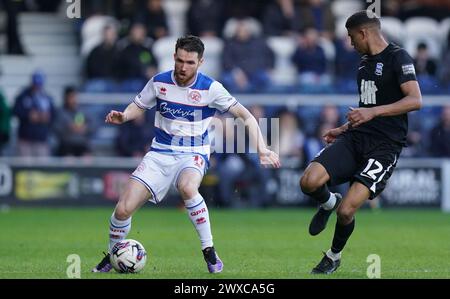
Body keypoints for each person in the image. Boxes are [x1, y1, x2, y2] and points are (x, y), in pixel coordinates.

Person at [92, 35, 280, 273]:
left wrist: (262, 149)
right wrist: (124, 116)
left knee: (188, 188)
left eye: (190, 62)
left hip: (193, 152)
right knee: (122, 209)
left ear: (200, 62)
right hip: (159, 153)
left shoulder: (211, 88)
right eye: (180, 60)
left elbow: (247, 116)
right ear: (174, 57)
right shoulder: (159, 82)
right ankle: (113, 255)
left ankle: (209, 250)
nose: (183, 67)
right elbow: (138, 105)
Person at [299, 11, 422, 274]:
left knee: (347, 211)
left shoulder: (398, 57)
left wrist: (372, 112)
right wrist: (344, 127)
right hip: (356, 137)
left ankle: (333, 256)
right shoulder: (363, 63)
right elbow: (368, 107)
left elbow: (415, 100)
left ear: (363, 33)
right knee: (309, 181)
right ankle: (327, 202)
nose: (349, 42)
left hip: (384, 147)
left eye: (351, 36)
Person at [12, 70, 56, 157]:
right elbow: (16, 111)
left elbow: (53, 115)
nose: (37, 86)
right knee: (25, 168)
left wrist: (46, 117)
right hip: (25, 138)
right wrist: (29, 115)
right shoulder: (23, 95)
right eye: (36, 83)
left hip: (41, 138)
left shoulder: (47, 97)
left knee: (41, 167)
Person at [54, 87, 93, 157]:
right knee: (68, 159)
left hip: (82, 143)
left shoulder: (83, 111)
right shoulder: (60, 112)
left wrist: (85, 128)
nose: (73, 99)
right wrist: (68, 128)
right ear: (66, 98)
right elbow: (56, 128)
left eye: (74, 97)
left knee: (87, 158)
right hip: (67, 144)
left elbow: (94, 124)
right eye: (71, 97)